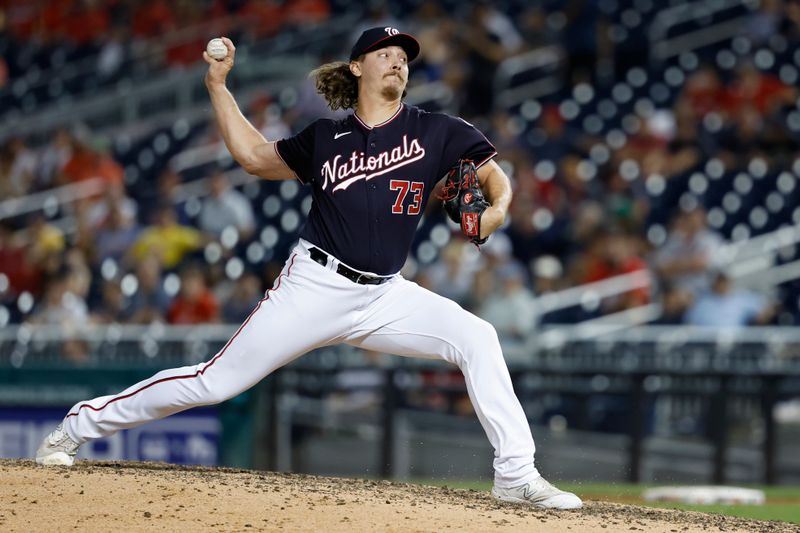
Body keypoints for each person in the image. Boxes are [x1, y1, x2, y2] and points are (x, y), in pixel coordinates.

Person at [35, 27, 581, 510]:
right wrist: (218, 89)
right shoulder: (325, 138)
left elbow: (493, 176)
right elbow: (252, 156)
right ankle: (76, 427)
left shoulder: (435, 130)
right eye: (384, 52)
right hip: (315, 285)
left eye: (404, 56)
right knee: (215, 383)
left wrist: (499, 208)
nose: (397, 61)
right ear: (357, 67)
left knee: (477, 337)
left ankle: (515, 475)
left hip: (386, 296)